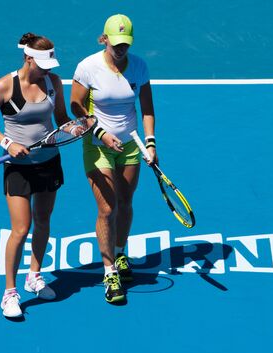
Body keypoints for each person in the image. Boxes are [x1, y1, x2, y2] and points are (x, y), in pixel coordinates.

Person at [0, 33, 71, 318]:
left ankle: (34, 275)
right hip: (18, 167)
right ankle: (9, 293)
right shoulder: (5, 86)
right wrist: (8, 143)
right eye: (43, 64)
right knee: (21, 228)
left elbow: (62, 119)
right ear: (28, 59)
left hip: (49, 161)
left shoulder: (53, 83)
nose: (48, 70)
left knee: (43, 221)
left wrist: (73, 129)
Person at [70, 14, 158, 303]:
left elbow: (146, 109)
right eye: (116, 43)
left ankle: (120, 254)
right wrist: (99, 131)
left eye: (126, 44)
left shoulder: (140, 66)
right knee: (107, 209)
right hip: (98, 144)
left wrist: (150, 143)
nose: (121, 48)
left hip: (131, 145)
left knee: (125, 202)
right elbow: (76, 105)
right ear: (104, 38)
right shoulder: (88, 67)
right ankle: (109, 273)